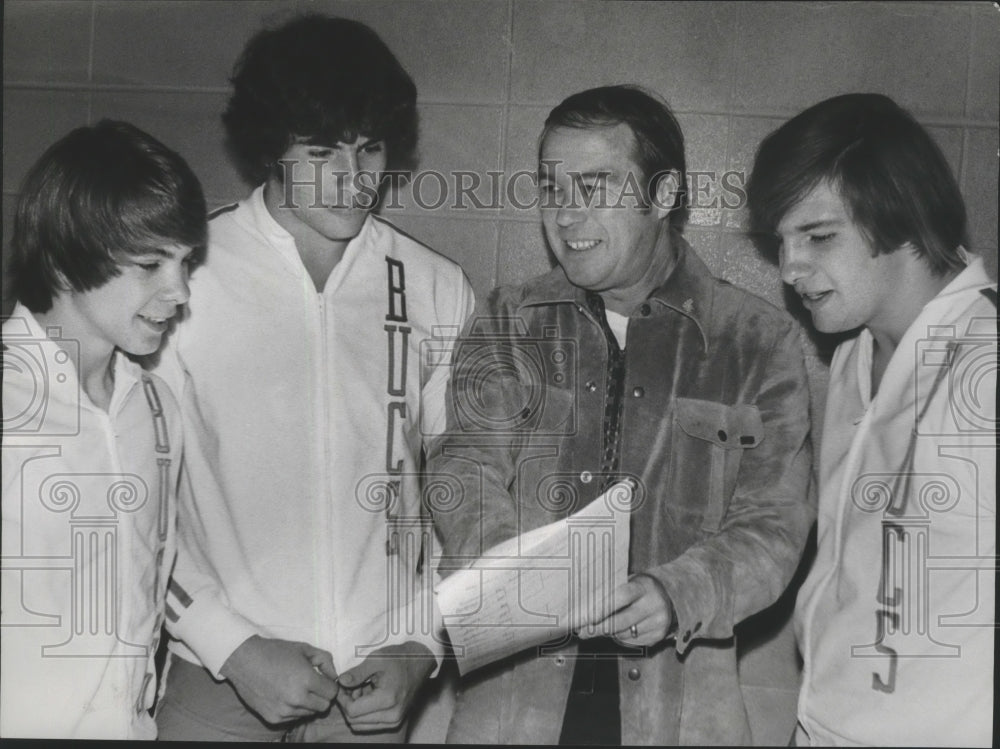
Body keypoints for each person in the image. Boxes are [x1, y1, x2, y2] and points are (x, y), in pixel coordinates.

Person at [427, 84, 814, 745]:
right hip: (514, 708)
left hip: (681, 708)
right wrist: (532, 576)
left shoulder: (757, 339)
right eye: (553, 188)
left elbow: (774, 527)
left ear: (663, 195)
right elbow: (463, 467)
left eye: (595, 185)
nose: (567, 215)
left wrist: (677, 592)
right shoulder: (507, 322)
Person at [151, 14, 475, 743]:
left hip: (373, 682)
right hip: (219, 674)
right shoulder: (181, 277)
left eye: (369, 150)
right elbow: (127, 503)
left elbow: (469, 499)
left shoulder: (434, 287)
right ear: (270, 145)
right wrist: (229, 642)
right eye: (321, 150)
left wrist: (421, 643)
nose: (352, 179)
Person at [747, 92, 996, 747]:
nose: (790, 267)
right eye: (782, 239)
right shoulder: (853, 356)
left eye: (818, 235)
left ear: (902, 218)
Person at [1, 120, 206, 738]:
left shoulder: (156, 407)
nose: (179, 291)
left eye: (185, 261)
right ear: (65, 262)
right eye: (150, 263)